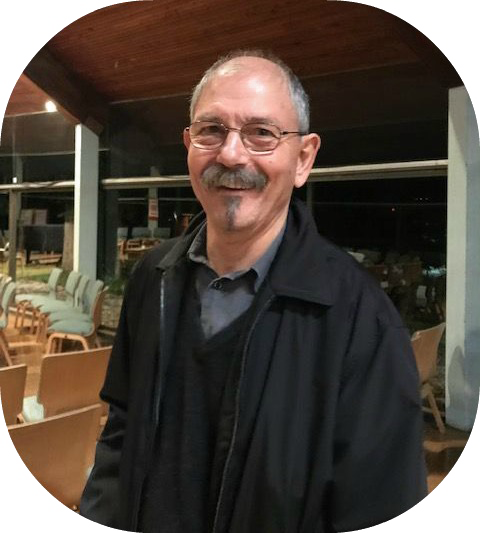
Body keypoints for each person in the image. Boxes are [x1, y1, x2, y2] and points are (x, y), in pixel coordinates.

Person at [80, 50, 427, 532]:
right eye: (212, 129)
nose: (231, 154)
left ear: (303, 158)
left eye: (261, 133)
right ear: (189, 145)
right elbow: (121, 433)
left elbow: (381, 505)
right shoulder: (151, 278)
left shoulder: (361, 321)